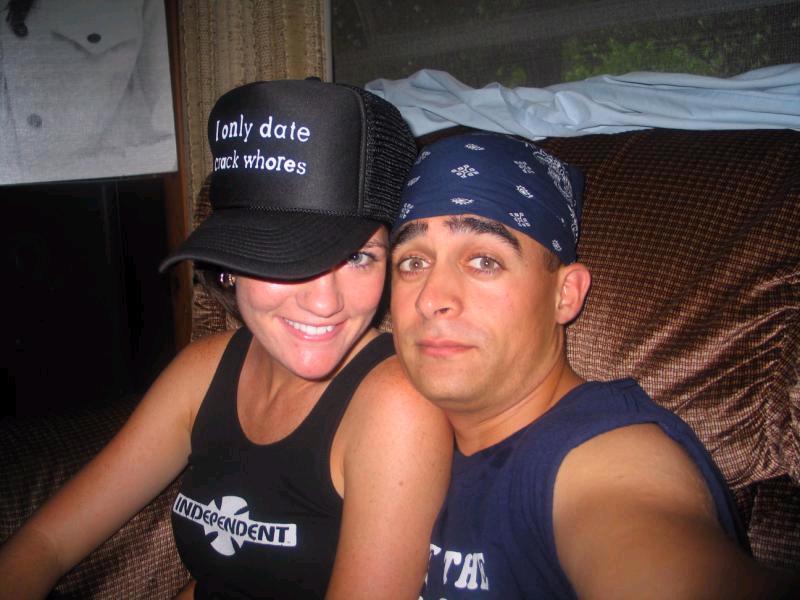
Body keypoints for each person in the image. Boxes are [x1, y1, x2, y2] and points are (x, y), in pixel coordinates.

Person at [0, 79, 452, 599]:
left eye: (358, 257)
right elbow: (47, 543)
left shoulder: (397, 407)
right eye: (283, 255)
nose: (325, 302)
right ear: (230, 265)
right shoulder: (201, 371)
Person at [388, 131, 799, 598]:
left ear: (565, 294)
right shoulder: (397, 435)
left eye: (484, 261)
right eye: (412, 262)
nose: (431, 298)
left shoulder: (603, 455)